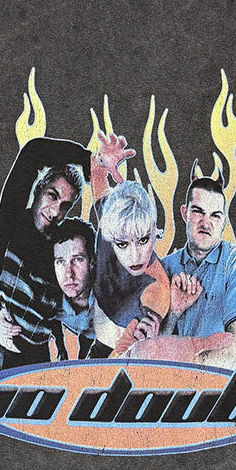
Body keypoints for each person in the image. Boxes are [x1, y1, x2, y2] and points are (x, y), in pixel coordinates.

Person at [0, 136, 90, 368]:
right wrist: (88, 160)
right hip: (10, 356)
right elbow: (33, 152)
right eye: (52, 196)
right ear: (38, 188)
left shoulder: (62, 246)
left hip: (42, 358)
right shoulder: (11, 225)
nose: (54, 212)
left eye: (65, 206)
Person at [161, 173, 236, 370]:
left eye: (215, 215)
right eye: (198, 212)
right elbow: (148, 351)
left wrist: (184, 365)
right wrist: (173, 313)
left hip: (215, 386)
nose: (206, 223)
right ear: (185, 213)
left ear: (224, 221)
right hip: (165, 385)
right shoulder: (165, 267)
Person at [90, 130, 171, 357]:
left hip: (114, 351)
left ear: (154, 232)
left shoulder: (156, 289)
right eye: (122, 244)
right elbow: (97, 174)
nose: (135, 257)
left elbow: (120, 354)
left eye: (143, 240)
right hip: (91, 324)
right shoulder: (111, 224)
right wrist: (102, 159)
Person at [49, 218, 110, 360]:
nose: (69, 274)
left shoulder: (111, 290)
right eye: (60, 262)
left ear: (92, 262)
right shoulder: (47, 297)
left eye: (77, 260)